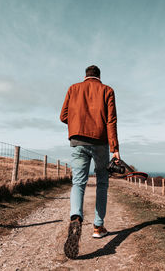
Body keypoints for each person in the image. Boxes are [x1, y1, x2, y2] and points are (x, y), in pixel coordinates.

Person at [60, 65, 120, 259]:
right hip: (100, 141)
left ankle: (76, 217)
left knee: (78, 182)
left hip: (77, 140)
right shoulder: (107, 90)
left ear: (85, 76)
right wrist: (115, 149)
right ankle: (97, 226)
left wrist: (78, 122)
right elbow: (111, 121)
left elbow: (63, 116)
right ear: (99, 77)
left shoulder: (73, 88)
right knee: (102, 182)